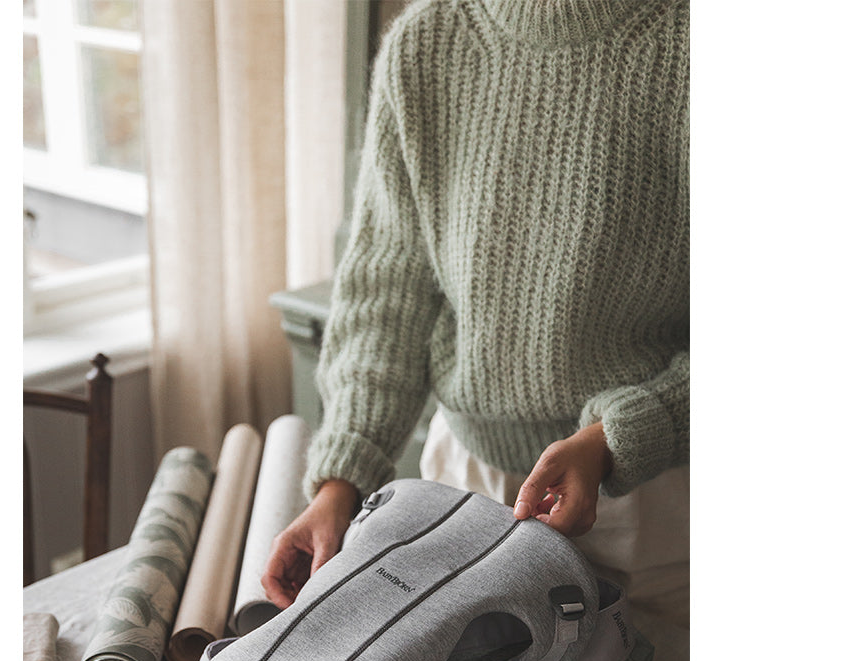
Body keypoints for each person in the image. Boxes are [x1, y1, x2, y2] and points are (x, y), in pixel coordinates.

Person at [262, 0, 690, 624]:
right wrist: (339, 486)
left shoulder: (689, 46)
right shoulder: (426, 42)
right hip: (463, 487)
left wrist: (614, 440)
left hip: (646, 508)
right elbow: (388, 289)